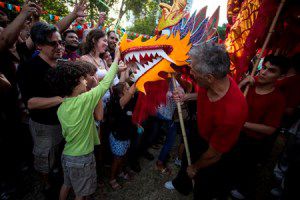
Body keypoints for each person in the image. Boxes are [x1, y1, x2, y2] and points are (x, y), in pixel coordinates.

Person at [165, 42, 248, 200]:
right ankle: (182, 184)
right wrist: (187, 96)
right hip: (200, 132)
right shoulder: (215, 81)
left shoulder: (233, 112)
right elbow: (204, 94)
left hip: (213, 150)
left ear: (210, 77)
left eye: (194, 71)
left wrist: (195, 167)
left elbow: (213, 155)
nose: (191, 73)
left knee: (204, 184)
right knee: (186, 160)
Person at [52, 50, 120, 200]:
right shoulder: (84, 100)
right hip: (82, 158)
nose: (86, 82)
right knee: (81, 194)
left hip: (67, 155)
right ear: (75, 84)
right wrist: (116, 58)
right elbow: (106, 83)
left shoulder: (62, 106)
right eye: (83, 79)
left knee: (67, 184)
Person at [231, 54, 288, 199]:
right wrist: (242, 83)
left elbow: (270, 129)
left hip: (253, 142)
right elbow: (231, 100)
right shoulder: (251, 82)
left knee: (245, 170)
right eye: (264, 67)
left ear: (281, 76)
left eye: (271, 70)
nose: (263, 72)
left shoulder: (278, 99)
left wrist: (244, 123)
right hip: (236, 134)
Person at [17, 22, 65, 191]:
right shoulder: (28, 68)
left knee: (59, 158)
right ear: (39, 45)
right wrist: (61, 99)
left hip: (64, 123)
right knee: (44, 160)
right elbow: (30, 103)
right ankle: (46, 186)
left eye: (60, 42)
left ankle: (59, 181)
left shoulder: (62, 64)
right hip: (44, 127)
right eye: (53, 43)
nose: (59, 46)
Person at [107, 82, 136, 190]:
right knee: (117, 159)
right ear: (121, 93)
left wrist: (137, 124)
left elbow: (129, 115)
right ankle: (112, 179)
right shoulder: (119, 102)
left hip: (126, 135)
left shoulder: (127, 101)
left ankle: (121, 172)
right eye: (127, 88)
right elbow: (133, 90)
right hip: (118, 137)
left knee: (123, 156)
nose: (129, 90)